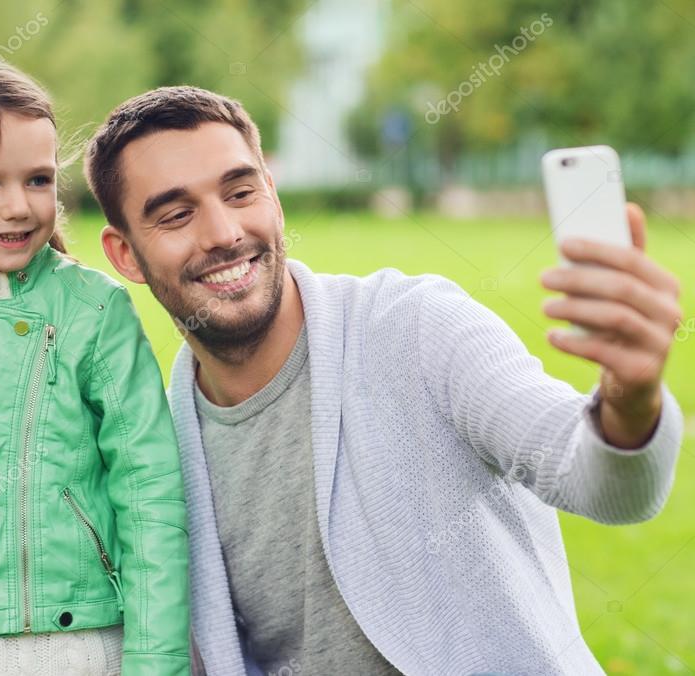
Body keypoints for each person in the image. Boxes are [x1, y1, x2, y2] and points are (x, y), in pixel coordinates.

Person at [86, 86, 684, 675]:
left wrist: (630, 401)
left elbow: (598, 481)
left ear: (273, 195)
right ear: (126, 256)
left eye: (240, 192)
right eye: (176, 215)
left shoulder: (418, 326)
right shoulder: (157, 453)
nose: (222, 232)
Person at [0, 59, 190, 676]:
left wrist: (157, 661)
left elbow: (148, 488)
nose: (19, 207)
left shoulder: (95, 309)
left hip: (86, 641)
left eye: (37, 180)